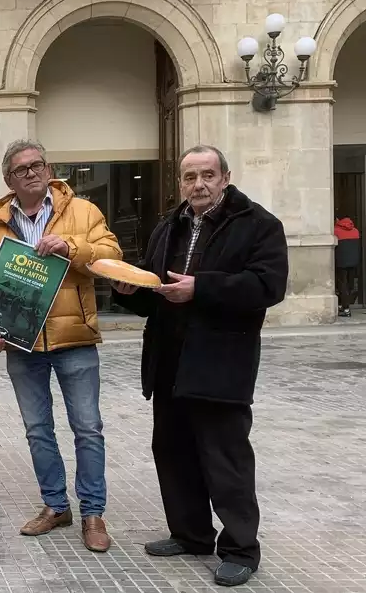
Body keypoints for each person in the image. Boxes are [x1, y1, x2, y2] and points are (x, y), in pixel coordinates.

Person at [111, 144, 288, 588]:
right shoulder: (169, 225)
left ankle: (241, 550)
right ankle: (190, 534)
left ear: (225, 177)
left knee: (225, 459)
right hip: (169, 360)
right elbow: (156, 289)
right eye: (190, 177)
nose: (199, 184)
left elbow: (268, 285)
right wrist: (130, 291)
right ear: (181, 183)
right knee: (173, 453)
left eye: (207, 175)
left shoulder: (259, 225)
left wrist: (201, 289)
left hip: (221, 362)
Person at [0, 140, 122, 552]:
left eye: (38, 165)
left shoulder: (83, 212)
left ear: (49, 167)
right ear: (9, 179)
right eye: (21, 170)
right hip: (23, 347)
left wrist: (71, 247)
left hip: (74, 340)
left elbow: (110, 255)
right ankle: (56, 506)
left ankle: (93, 513)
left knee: (87, 428)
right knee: (38, 430)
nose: (32, 173)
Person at [333, 214, 361, 317]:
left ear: (338, 219)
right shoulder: (355, 231)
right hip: (353, 262)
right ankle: (345, 305)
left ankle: (345, 308)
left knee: (342, 285)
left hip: (341, 263)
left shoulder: (335, 231)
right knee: (349, 285)